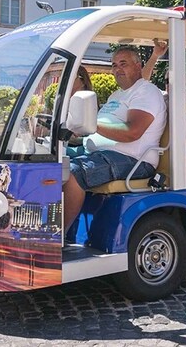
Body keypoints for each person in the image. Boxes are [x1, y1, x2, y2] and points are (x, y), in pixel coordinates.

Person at [63, 47, 167, 232]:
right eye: (114, 65)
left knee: (71, 173)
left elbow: (132, 132)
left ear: (138, 65)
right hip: (100, 154)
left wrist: (91, 125)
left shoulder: (146, 92)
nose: (117, 69)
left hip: (133, 160)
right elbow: (99, 128)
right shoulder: (116, 95)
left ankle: (59, 237)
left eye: (123, 63)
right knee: (49, 160)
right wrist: (78, 131)